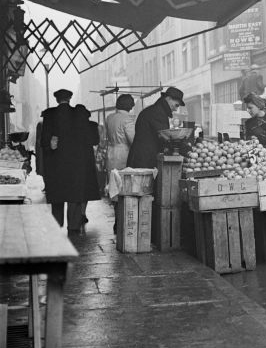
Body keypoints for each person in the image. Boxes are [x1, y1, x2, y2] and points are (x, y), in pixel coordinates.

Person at [40, 89, 100, 237]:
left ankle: (56, 224)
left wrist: (51, 145)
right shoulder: (79, 114)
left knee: (57, 195)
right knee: (74, 195)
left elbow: (44, 142)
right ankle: (73, 226)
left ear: (56, 99)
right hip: (76, 163)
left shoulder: (49, 115)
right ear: (70, 98)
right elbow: (90, 140)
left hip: (56, 163)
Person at [127, 87, 185, 169]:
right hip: (143, 161)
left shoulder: (154, 110)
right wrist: (185, 149)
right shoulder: (157, 113)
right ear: (168, 98)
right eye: (176, 105)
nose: (176, 109)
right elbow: (166, 137)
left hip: (141, 158)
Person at [105, 94, 136, 233]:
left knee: (114, 188)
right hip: (124, 154)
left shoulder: (109, 117)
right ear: (129, 105)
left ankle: (117, 220)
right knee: (125, 189)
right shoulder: (128, 119)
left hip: (111, 154)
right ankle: (122, 222)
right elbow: (132, 139)